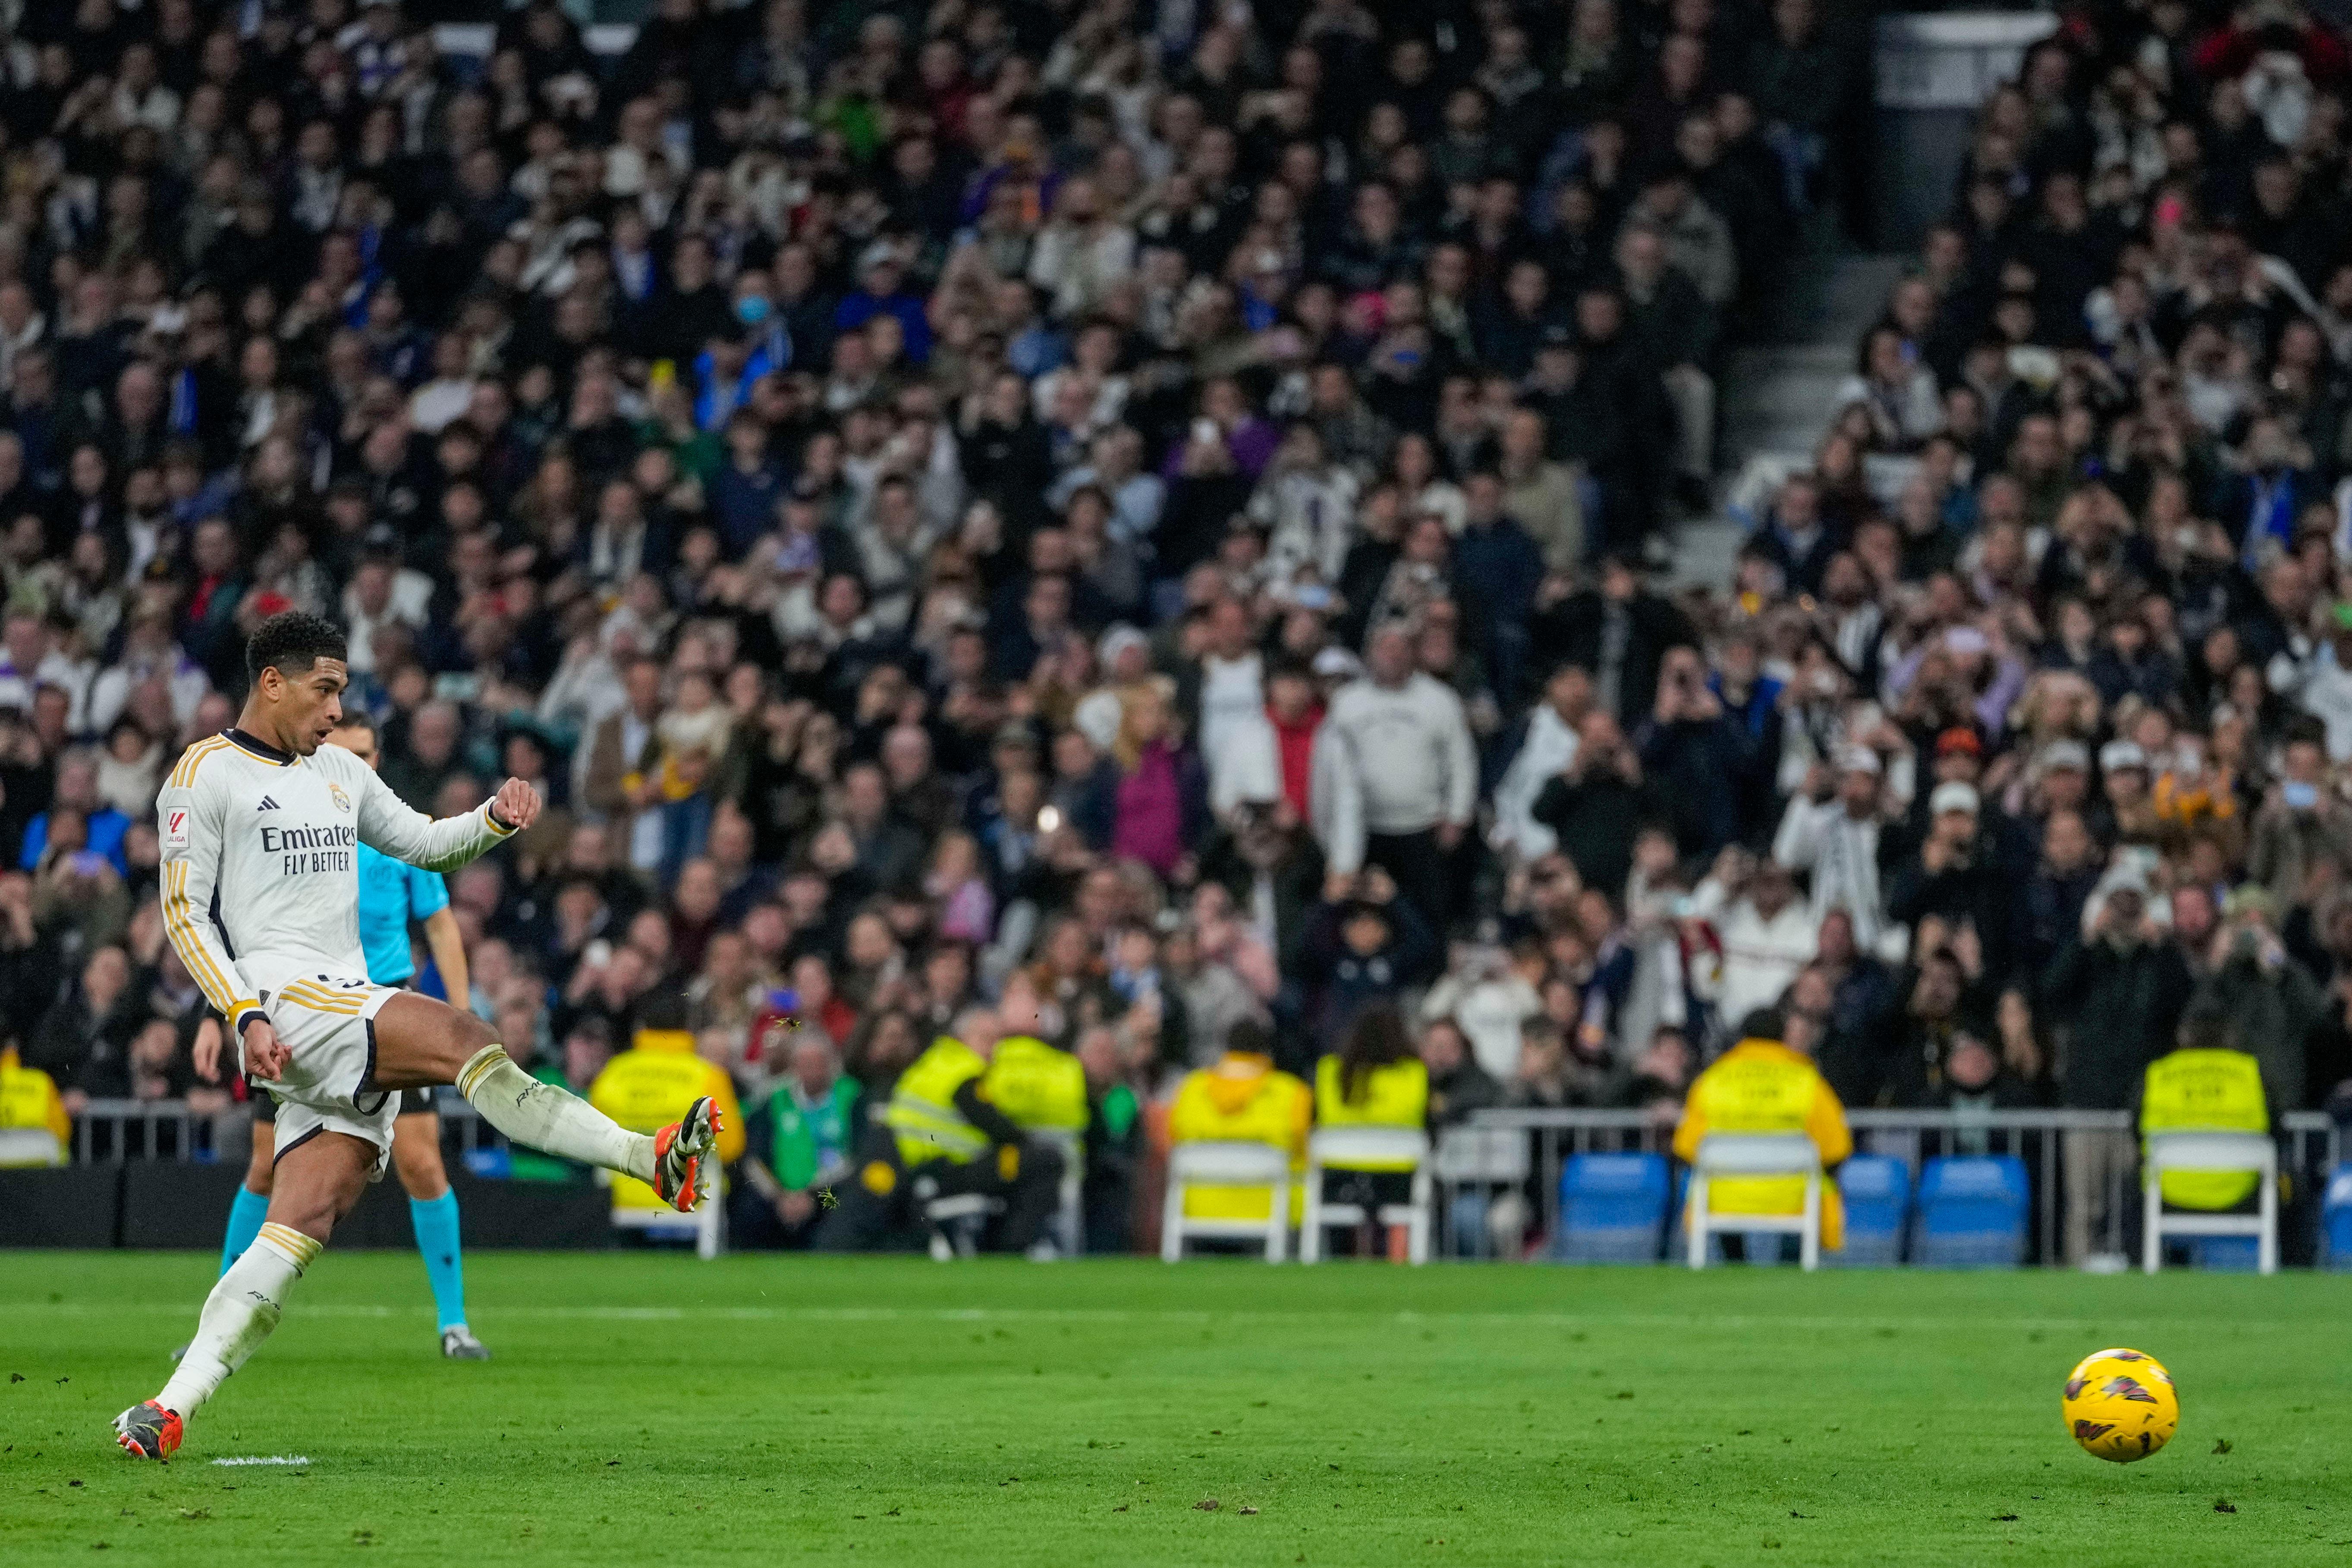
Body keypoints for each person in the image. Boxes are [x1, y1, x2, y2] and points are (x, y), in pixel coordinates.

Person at [115, 613, 724, 1463]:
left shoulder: (338, 772)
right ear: (272, 683)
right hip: (288, 1000)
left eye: (342, 689)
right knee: (465, 1034)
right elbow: (185, 910)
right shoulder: (203, 772)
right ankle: (646, 1155)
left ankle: (167, 1406)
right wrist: (240, 1012)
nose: (337, 708)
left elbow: (429, 844)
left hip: (343, 1002)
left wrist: (494, 819)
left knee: (299, 1224)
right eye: (324, 689)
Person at [191, 710, 490, 1359]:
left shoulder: (394, 830)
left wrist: (458, 1024)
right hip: (298, 1013)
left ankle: (455, 1322)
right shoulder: (291, 823)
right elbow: (240, 931)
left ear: (376, 758)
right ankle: (218, 1316)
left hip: (390, 1013)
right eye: (341, 747)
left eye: (366, 752)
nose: (354, 762)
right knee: (267, 1165)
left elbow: (439, 926)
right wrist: (221, 1013)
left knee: (422, 1162)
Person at [821, 1007, 1067, 1258]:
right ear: (963, 1038)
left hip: (911, 1164)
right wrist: (1026, 1141)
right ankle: (1014, 1247)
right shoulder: (963, 1068)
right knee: (1045, 1159)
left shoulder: (936, 1061)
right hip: (939, 1169)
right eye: (986, 1038)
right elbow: (992, 1122)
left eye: (998, 1040)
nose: (995, 1049)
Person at [1670, 1006, 1853, 1259]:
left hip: (1725, 1194)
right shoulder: (1806, 1081)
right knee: (1820, 1181)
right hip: (1790, 1196)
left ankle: (1735, 1261)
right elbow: (1837, 1149)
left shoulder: (1712, 1080)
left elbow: (1685, 1149)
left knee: (1699, 1178)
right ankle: (1791, 1263)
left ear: (1742, 1037)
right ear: (1782, 1037)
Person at [2133, 1006, 2280, 1263]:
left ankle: (2140, 1267)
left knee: (2130, 1184)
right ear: (2231, 1037)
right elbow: (2277, 1129)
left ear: (2183, 1036)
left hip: (2169, 1196)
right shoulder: (2253, 1073)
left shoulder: (2157, 1074)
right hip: (2240, 1195)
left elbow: (2136, 1129)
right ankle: (2297, 1268)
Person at [1165, 1018, 1312, 1230]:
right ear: (1266, 1051)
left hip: (1200, 1208)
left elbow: (1174, 1140)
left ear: (1226, 1049)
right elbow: (1302, 1152)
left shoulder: (1191, 1089)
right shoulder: (1292, 1093)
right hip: (1271, 1210)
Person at [1311, 1005, 1431, 1257]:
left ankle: (1339, 1258)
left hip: (1340, 1175)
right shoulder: (1414, 1074)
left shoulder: (1329, 1071)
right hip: (1396, 1180)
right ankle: (1396, 1256)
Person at [736, 1029, 862, 1249]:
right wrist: (779, 1196)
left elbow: (857, 1155)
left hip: (830, 1193)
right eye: (804, 1063)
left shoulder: (851, 1097)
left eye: (818, 1063)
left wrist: (812, 1195)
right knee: (748, 1208)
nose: (811, 1070)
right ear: (793, 1066)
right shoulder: (774, 1100)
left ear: (831, 1064)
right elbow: (754, 1157)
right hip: (778, 1196)